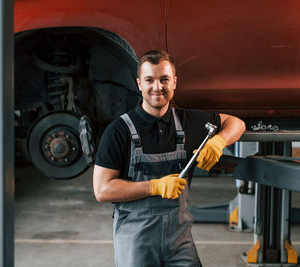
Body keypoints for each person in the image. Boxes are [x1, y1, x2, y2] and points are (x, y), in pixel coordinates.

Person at [93, 50, 246, 267]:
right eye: (149, 80)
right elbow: (102, 190)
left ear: (174, 82)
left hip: (179, 242)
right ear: (139, 84)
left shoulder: (189, 122)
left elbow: (237, 123)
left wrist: (219, 142)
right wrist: (154, 187)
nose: (157, 87)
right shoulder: (119, 131)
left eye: (164, 79)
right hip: (137, 241)